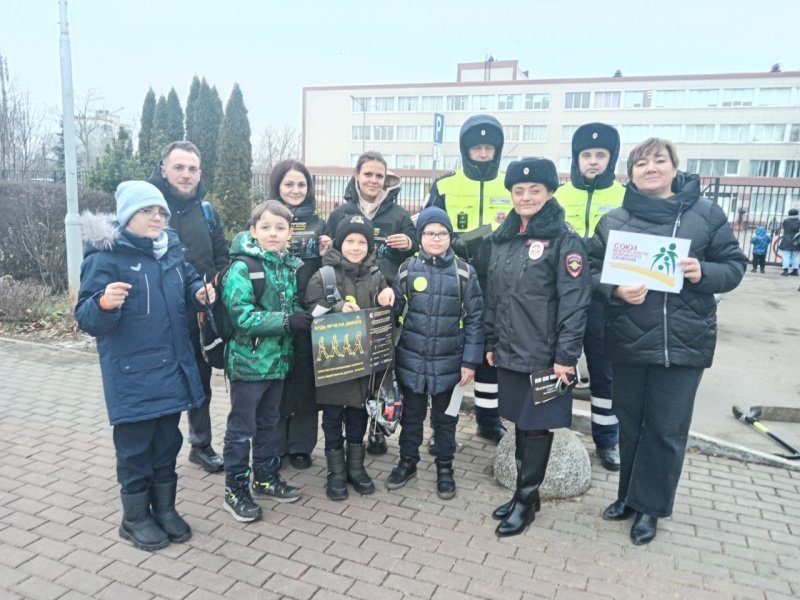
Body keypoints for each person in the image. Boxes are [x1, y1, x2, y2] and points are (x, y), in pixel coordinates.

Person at [589, 138, 747, 545]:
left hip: (683, 344)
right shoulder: (614, 221)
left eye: (660, 161)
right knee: (631, 424)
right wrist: (616, 291)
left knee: (666, 429)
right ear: (631, 173)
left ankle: (651, 508)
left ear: (675, 167)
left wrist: (702, 272)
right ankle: (627, 496)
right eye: (642, 163)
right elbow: (587, 272)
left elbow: (733, 266)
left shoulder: (706, 216)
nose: (651, 168)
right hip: (627, 341)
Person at [75, 180, 215, 550]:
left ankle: (165, 509)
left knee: (167, 442)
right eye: (146, 211)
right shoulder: (105, 257)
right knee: (136, 450)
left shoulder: (170, 252)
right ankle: (134, 517)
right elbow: (86, 318)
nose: (156, 217)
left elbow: (189, 286)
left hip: (172, 370)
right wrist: (104, 304)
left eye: (160, 212)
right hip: (132, 376)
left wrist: (201, 294)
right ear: (127, 216)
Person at [484, 158, 591, 537]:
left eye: (534, 190)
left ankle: (527, 501)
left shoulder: (565, 240)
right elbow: (495, 295)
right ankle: (523, 494)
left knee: (536, 428)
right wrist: (491, 340)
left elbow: (575, 302)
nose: (526, 196)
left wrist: (566, 357)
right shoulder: (505, 238)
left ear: (549, 192)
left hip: (545, 356)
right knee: (520, 424)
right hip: (511, 349)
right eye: (518, 190)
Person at [220, 200, 313, 523]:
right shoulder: (243, 267)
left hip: (278, 362)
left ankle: (264, 476)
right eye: (266, 227)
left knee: (268, 423)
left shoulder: (288, 265)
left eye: (280, 228)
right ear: (253, 231)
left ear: (290, 233)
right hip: (249, 362)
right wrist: (288, 321)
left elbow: (296, 304)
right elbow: (242, 317)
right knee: (241, 428)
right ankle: (235, 488)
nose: (273, 234)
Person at [425, 114, 513, 447]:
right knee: (449, 353)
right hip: (452, 277)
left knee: (489, 350)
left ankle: (489, 421)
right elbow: (430, 226)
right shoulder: (445, 184)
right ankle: (440, 427)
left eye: (489, 147)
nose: (483, 152)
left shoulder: (509, 183)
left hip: (497, 280)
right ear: (466, 150)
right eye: (476, 147)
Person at [385, 207, 484, 499]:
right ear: (420, 237)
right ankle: (407, 462)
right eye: (429, 233)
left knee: (446, 420)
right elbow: (393, 314)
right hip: (411, 361)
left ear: (450, 236)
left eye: (442, 233)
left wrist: (470, 362)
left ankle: (445, 468)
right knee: (411, 418)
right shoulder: (406, 270)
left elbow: (477, 320)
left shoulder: (465, 273)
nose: (436, 238)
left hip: (450, 365)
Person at [327, 151, 417, 455]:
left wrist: (409, 244)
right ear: (356, 176)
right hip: (348, 304)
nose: (373, 181)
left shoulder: (399, 216)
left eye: (379, 176)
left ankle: (376, 429)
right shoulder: (341, 213)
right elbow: (328, 256)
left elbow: (415, 250)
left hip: (382, 301)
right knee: (347, 370)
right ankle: (341, 432)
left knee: (379, 370)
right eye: (368, 174)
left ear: (386, 180)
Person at [148, 141, 229, 474]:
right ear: (164, 169)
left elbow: (222, 258)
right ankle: (153, 451)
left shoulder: (207, 212)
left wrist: (216, 283)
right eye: (179, 167)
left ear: (200, 173)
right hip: (158, 317)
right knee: (159, 386)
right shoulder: (148, 209)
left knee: (200, 383)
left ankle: (201, 444)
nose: (186, 174)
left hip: (199, 315)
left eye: (192, 168)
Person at [305, 215, 395, 500]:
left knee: (358, 414)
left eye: (362, 242)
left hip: (363, 365)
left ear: (369, 246)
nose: (355, 247)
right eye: (350, 241)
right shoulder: (324, 275)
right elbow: (311, 312)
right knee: (332, 417)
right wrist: (336, 308)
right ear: (339, 243)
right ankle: (335, 471)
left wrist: (390, 296)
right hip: (334, 362)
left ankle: (356, 468)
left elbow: (387, 313)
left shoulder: (377, 276)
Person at [557, 123, 625, 472]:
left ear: (611, 158)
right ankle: (556, 433)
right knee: (559, 367)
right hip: (563, 299)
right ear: (576, 158)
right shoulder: (559, 196)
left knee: (603, 371)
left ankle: (607, 441)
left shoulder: (624, 198)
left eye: (601, 155)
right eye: (587, 155)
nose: (593, 162)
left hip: (605, 299)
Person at [270, 160, 332, 470]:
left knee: (307, 380)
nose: (295, 190)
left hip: (311, 316)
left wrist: (326, 254)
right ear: (277, 187)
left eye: (301, 184)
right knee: (278, 379)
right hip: (275, 314)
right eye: (288, 184)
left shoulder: (320, 225)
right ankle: (276, 443)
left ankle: (301, 446)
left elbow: (332, 269)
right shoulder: (266, 219)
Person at [778, 208, 799, 276]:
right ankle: (795, 271)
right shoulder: (799, 221)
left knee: (785, 256)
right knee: (794, 256)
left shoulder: (786, 221)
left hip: (786, 240)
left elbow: (785, 228)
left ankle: (785, 271)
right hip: (796, 240)